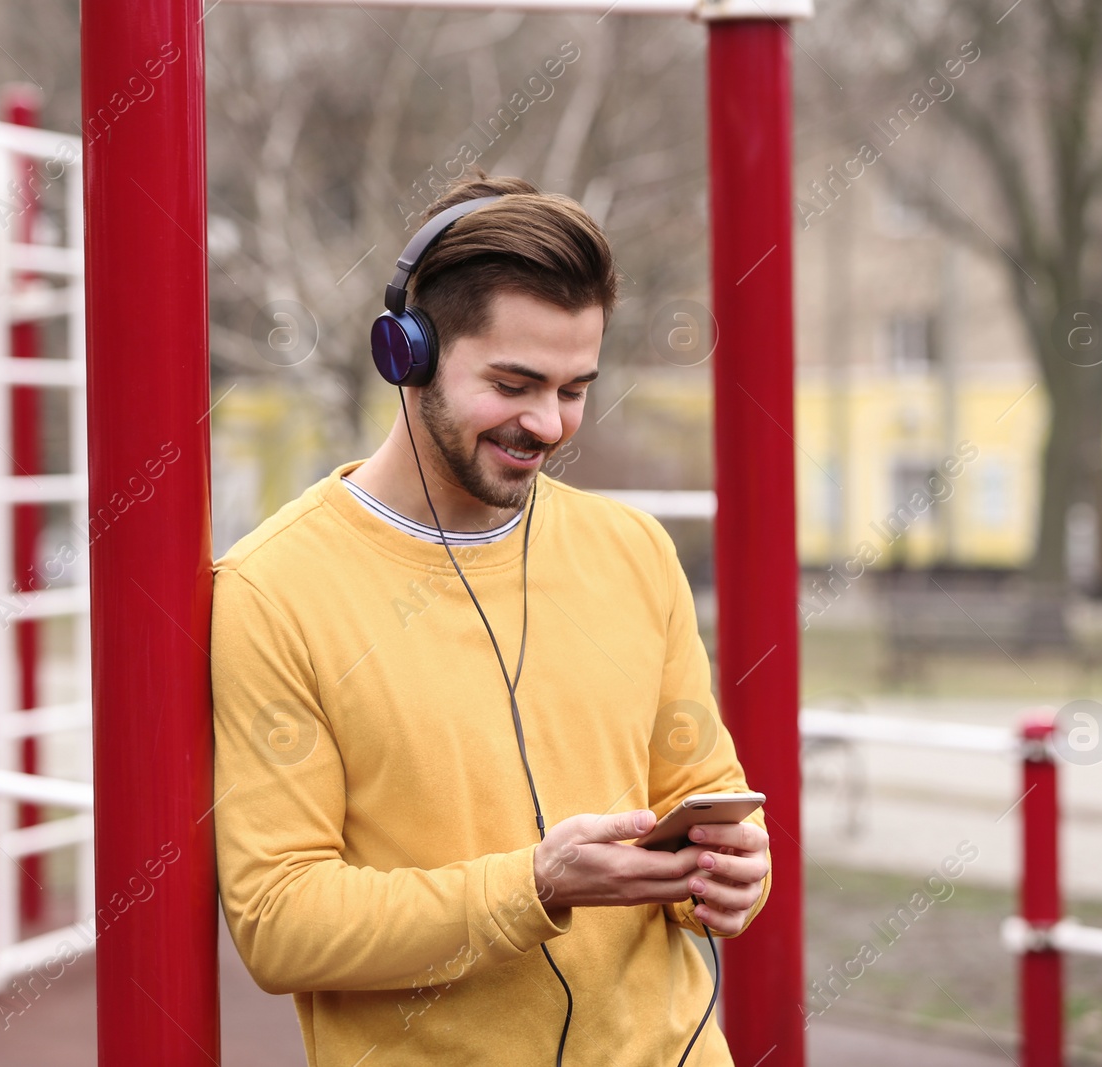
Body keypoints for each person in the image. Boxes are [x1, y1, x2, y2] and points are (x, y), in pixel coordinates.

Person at [209, 172, 772, 1067]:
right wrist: (535, 884)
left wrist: (739, 868)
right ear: (409, 354)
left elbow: (703, 784)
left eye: (575, 387)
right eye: (514, 382)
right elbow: (280, 922)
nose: (547, 422)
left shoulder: (635, 548)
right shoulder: (270, 590)